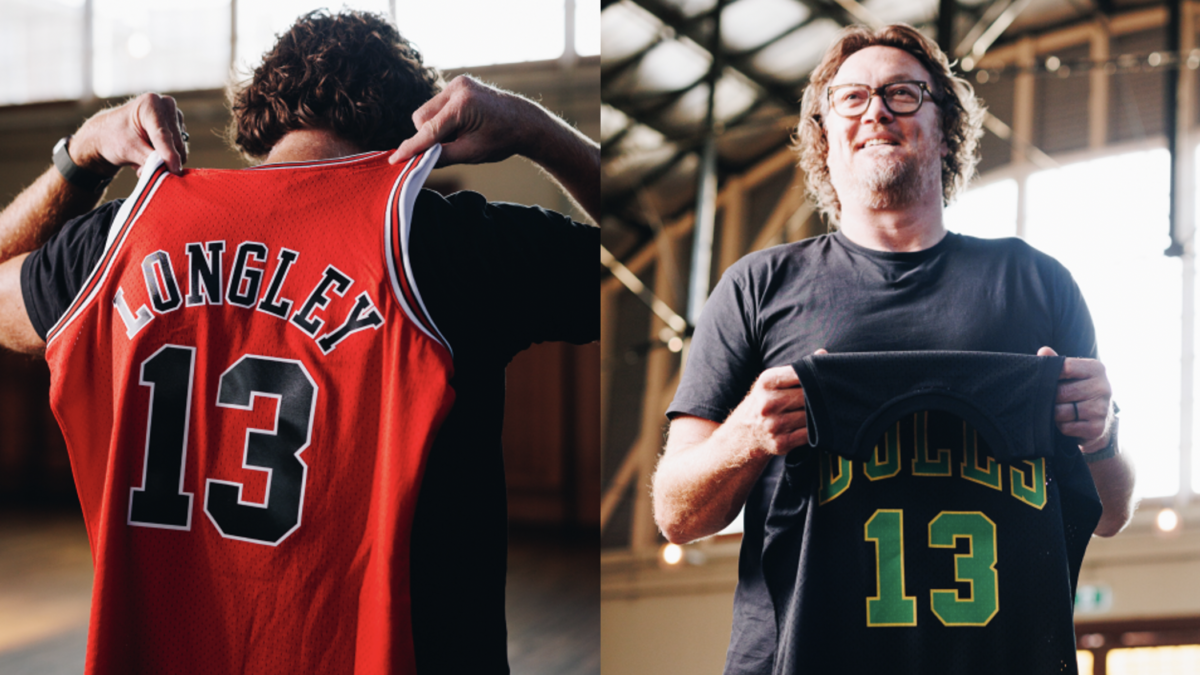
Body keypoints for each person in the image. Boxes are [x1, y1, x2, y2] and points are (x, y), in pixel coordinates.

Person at [0, 10, 597, 675]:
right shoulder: (446, 244)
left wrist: (78, 157)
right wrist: (536, 131)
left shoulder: (127, 235)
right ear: (417, 126)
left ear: (263, 113)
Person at [652, 23, 1134, 675]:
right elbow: (676, 514)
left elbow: (1111, 511)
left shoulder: (1036, 282)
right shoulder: (758, 286)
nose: (876, 109)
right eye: (851, 98)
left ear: (946, 128)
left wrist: (1101, 434)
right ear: (825, 135)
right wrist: (748, 435)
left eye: (902, 93)